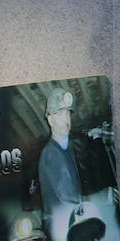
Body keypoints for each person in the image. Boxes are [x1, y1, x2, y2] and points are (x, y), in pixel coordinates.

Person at [36, 87, 83, 216]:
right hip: (61, 226)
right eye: (60, 114)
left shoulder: (66, 150)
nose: (66, 119)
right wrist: (103, 196)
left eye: (67, 113)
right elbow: (71, 198)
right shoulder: (51, 154)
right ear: (50, 121)